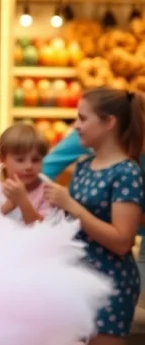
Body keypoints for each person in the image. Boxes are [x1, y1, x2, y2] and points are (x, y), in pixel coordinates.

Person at [42, 88, 145, 345]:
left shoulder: (127, 173)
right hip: (78, 282)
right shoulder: (84, 167)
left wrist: (71, 205)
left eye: (83, 118)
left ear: (109, 122)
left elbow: (122, 241)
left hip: (109, 285)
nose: (76, 126)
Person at [0, 123, 52, 224]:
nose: (29, 166)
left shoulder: (47, 192)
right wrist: (8, 206)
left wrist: (22, 201)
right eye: (20, 160)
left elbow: (44, 230)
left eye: (35, 160)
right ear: (2, 160)